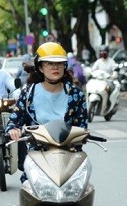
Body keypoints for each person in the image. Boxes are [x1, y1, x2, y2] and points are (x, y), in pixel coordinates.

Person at [5, 42, 88, 181]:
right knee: (28, 188)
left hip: (69, 156)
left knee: (83, 190)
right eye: (49, 63)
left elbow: (82, 126)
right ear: (40, 67)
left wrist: (82, 135)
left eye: (59, 63)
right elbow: (14, 120)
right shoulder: (28, 94)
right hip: (38, 156)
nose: (55, 67)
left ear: (65, 66)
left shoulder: (76, 94)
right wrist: (13, 129)